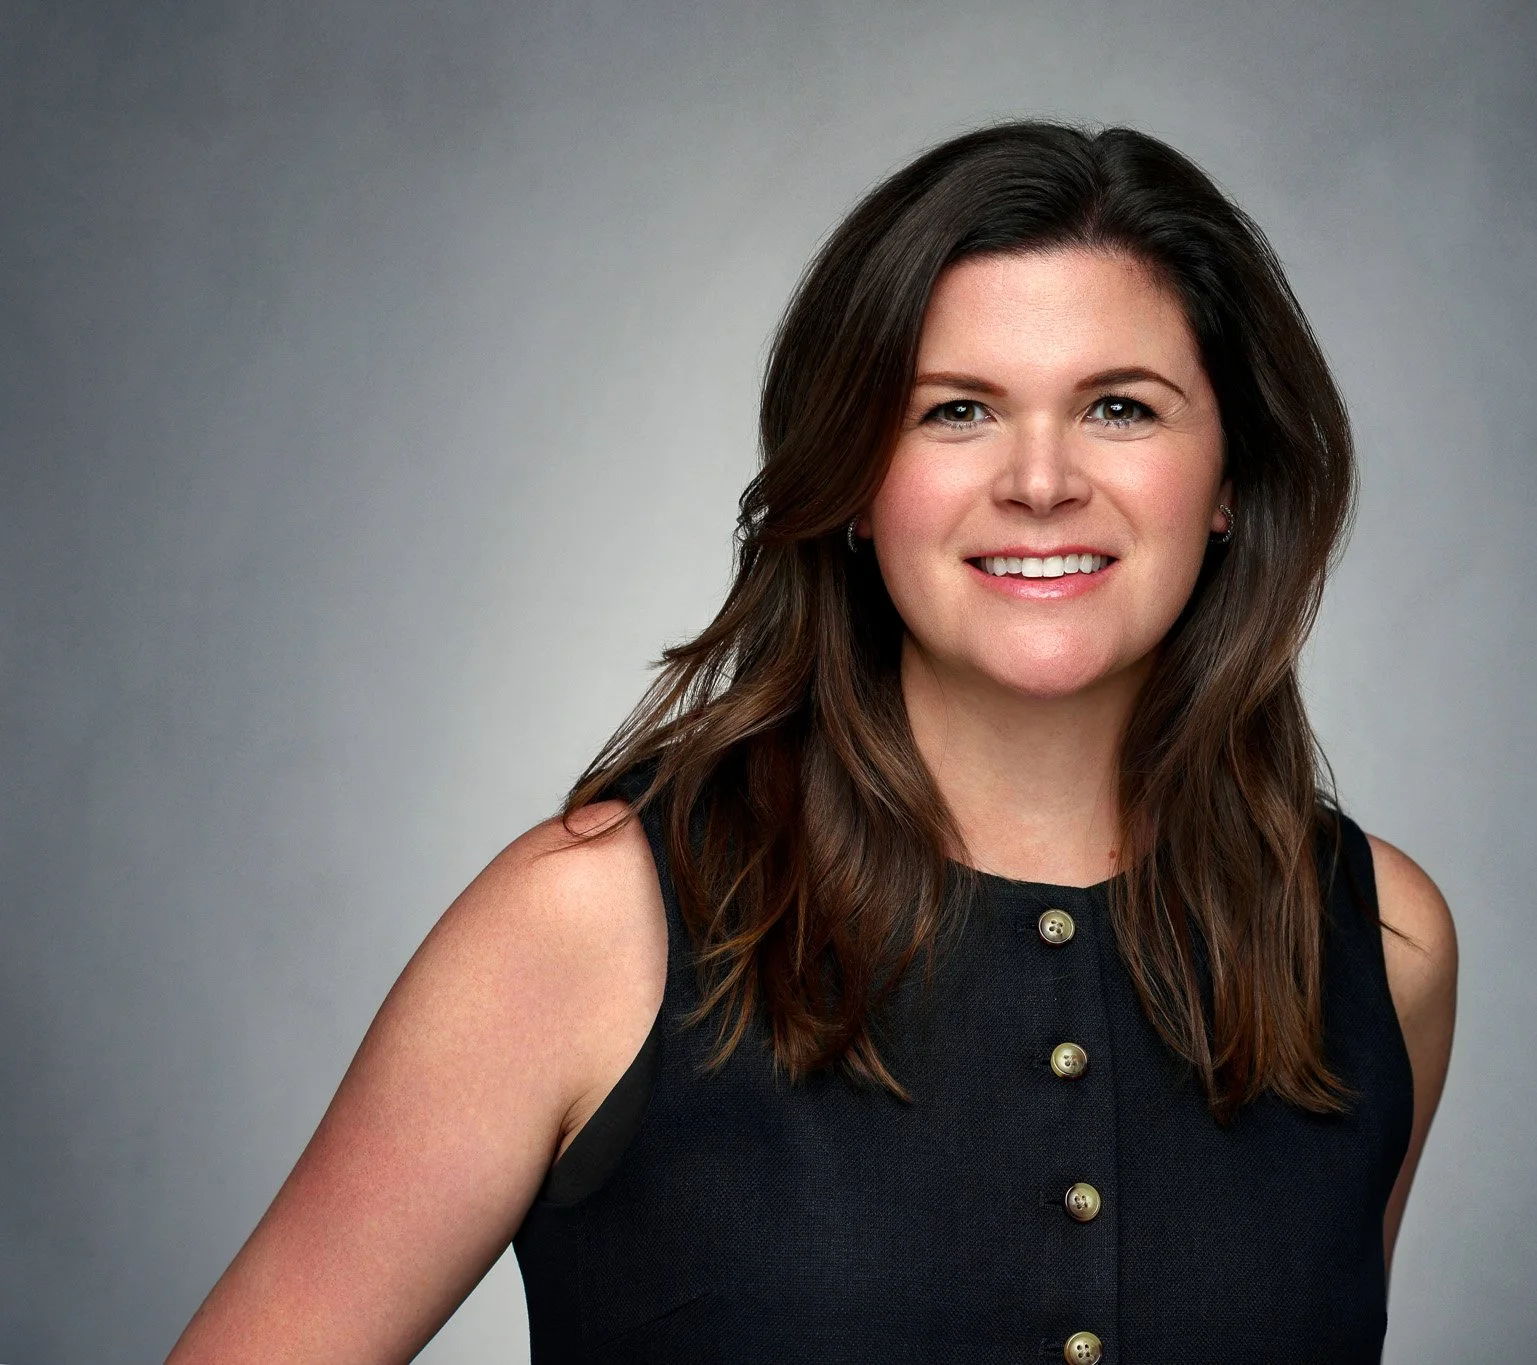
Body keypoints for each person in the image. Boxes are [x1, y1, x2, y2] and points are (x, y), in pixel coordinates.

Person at [167, 119, 1457, 1364]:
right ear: (850, 480)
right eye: (955, 411)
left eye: (1122, 407)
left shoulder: (1381, 944)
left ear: (1231, 477)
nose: (1043, 479)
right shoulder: (588, 925)